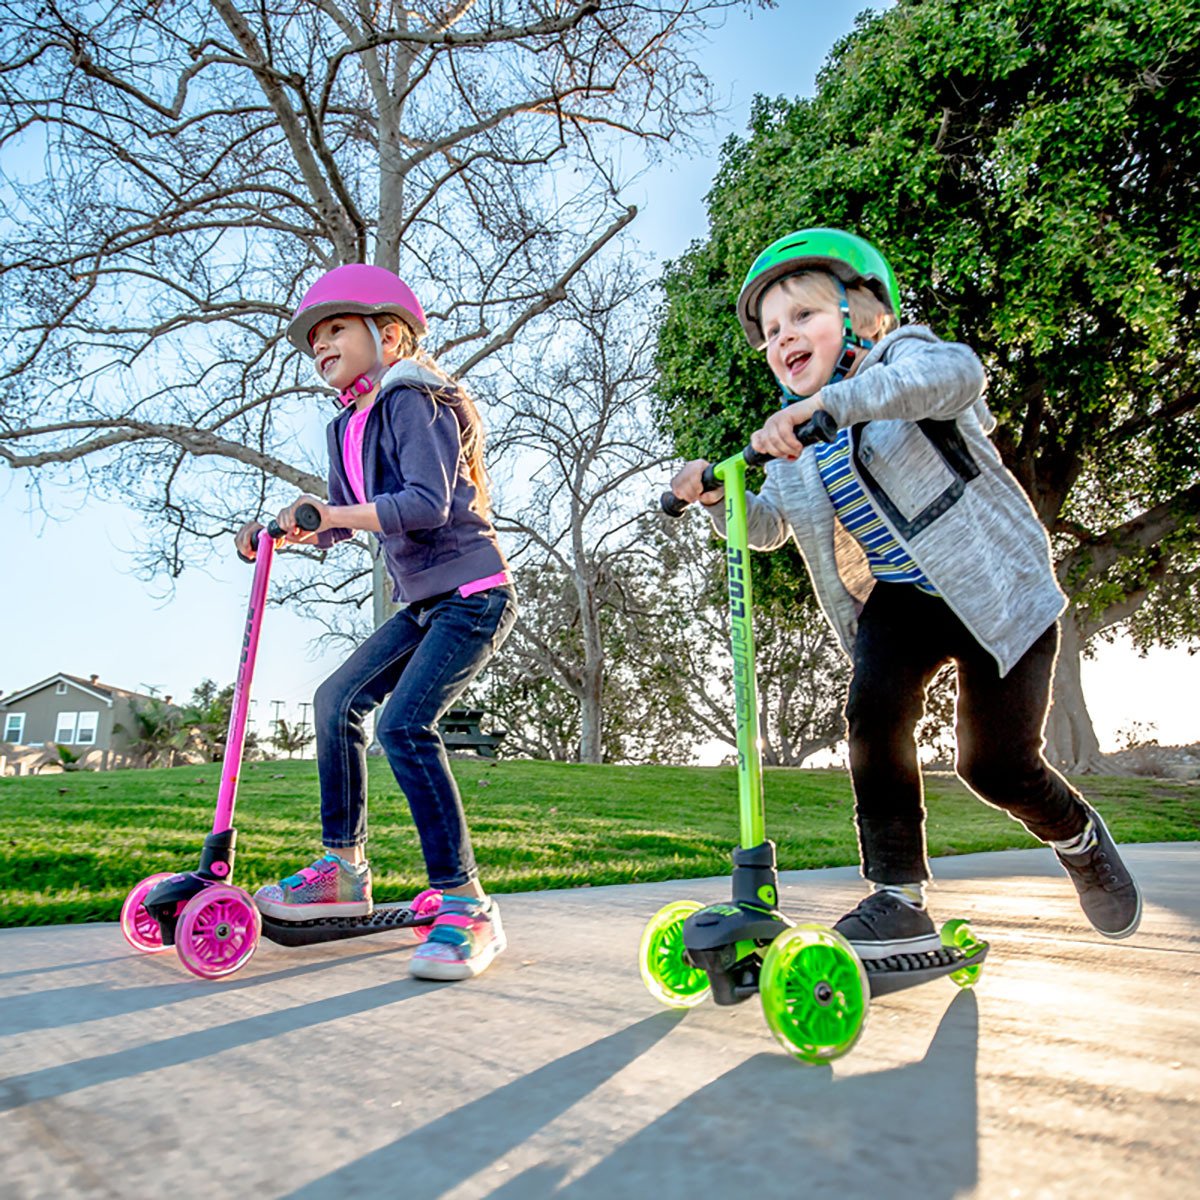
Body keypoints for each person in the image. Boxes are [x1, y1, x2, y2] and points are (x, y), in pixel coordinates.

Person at [670, 227, 1142, 957]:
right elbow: (767, 528)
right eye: (770, 332)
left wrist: (842, 403)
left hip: (994, 589)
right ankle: (896, 896)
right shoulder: (793, 450)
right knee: (873, 710)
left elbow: (958, 377)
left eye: (803, 316)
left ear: (862, 317)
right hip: (903, 599)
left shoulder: (904, 362)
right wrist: (716, 495)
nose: (784, 337)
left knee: (994, 765)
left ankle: (1077, 835)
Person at [235, 264, 517, 981]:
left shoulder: (415, 400)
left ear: (387, 334)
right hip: (425, 604)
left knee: (403, 725)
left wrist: (331, 516)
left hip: (473, 594)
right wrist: (286, 529)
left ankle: (466, 904)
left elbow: (424, 503)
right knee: (336, 700)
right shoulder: (345, 426)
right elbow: (338, 520)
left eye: (335, 330)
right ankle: (344, 866)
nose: (320, 345)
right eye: (313, 339)